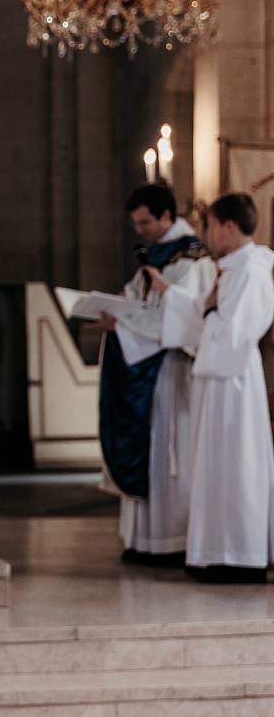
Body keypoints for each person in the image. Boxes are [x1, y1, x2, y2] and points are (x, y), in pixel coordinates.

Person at [146, 192, 274, 583]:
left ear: (229, 227)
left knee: (236, 464)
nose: (210, 235)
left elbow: (236, 330)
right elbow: (207, 313)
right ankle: (215, 550)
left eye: (212, 226)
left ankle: (239, 554)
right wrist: (173, 295)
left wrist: (206, 309)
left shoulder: (252, 269)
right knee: (217, 465)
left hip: (234, 380)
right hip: (218, 379)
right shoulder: (232, 268)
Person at [97, 184, 214, 565]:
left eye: (145, 222)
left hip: (170, 369)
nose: (140, 230)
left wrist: (127, 326)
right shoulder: (157, 254)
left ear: (166, 216)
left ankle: (170, 541)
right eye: (135, 223)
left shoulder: (191, 257)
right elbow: (138, 299)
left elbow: (186, 318)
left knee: (169, 449)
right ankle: (144, 540)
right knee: (148, 444)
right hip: (145, 365)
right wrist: (115, 312)